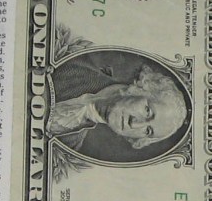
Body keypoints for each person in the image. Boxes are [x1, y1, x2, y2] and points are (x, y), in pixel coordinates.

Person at [48, 56, 188, 162]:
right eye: (148, 111)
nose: (134, 124)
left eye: (147, 131)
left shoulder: (71, 147)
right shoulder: (74, 63)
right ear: (141, 88)